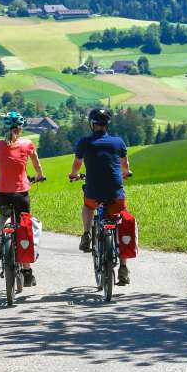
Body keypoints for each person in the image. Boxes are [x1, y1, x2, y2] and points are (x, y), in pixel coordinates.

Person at [68, 107, 132, 285]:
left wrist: (73, 175)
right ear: (107, 125)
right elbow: (125, 164)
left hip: (94, 191)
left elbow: (77, 164)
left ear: (92, 124)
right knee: (120, 221)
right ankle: (123, 268)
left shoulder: (84, 142)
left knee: (88, 206)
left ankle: (86, 234)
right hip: (115, 192)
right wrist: (126, 173)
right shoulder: (118, 142)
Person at [0, 111, 45, 286]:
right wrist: (40, 176)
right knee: (24, 226)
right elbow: (36, 164)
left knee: (4, 216)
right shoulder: (27, 144)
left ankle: (0, 238)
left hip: (2, 193)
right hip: (21, 194)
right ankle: (27, 271)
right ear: (20, 128)